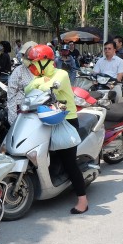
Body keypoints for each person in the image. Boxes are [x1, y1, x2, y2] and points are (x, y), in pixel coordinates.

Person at [24, 44, 89, 214]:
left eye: (35, 62)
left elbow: (51, 86)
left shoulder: (62, 74)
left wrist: (41, 83)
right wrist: (39, 83)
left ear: (45, 61)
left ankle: (82, 200)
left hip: (66, 121)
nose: (32, 65)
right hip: (47, 120)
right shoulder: (40, 77)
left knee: (69, 163)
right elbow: (27, 89)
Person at [7, 41, 37, 125]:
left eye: (26, 56)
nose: (24, 58)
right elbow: (11, 95)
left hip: (40, 111)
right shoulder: (18, 71)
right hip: (21, 110)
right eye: (23, 55)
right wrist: (13, 119)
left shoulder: (44, 70)